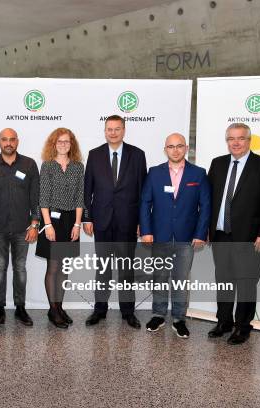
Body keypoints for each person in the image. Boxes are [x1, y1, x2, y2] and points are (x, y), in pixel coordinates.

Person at [207, 123, 260, 345]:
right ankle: (224, 322)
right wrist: (207, 230)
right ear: (227, 141)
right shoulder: (218, 164)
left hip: (250, 238)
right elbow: (210, 200)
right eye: (231, 138)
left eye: (240, 138)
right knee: (224, 281)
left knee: (246, 283)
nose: (236, 143)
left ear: (249, 141)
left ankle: (242, 327)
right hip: (220, 236)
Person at [139, 133, 210, 338]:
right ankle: (158, 315)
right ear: (165, 149)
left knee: (180, 279)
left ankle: (179, 318)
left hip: (186, 237)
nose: (175, 150)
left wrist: (200, 233)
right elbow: (145, 203)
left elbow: (205, 206)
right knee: (160, 277)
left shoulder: (198, 174)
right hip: (159, 235)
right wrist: (146, 231)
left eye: (179, 146)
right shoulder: (154, 173)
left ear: (186, 148)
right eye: (171, 146)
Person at [83, 115, 147, 329]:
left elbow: (143, 193)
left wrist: (141, 222)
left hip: (127, 222)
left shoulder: (138, 155)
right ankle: (99, 309)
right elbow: (87, 190)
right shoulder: (94, 155)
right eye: (109, 129)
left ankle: (128, 312)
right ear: (105, 130)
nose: (113, 132)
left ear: (124, 130)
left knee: (126, 269)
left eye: (117, 129)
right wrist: (88, 217)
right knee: (103, 269)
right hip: (101, 221)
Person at [0, 128, 39, 327]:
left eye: (12, 139)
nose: (8, 143)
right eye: (5, 139)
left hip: (23, 228)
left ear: (17, 141)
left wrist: (34, 223)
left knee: (20, 268)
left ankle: (20, 308)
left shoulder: (29, 164)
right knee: (0, 267)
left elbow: (35, 197)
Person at [35, 128, 84, 329]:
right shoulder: (47, 166)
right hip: (51, 220)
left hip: (71, 221)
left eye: (67, 141)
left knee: (64, 267)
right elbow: (43, 199)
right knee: (53, 266)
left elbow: (80, 197)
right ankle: (53, 309)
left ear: (71, 144)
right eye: (59, 141)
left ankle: (59, 306)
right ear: (53, 144)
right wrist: (47, 225)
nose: (63, 145)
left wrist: (77, 224)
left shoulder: (78, 167)